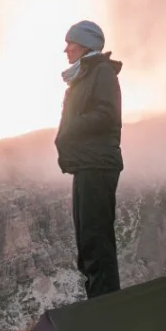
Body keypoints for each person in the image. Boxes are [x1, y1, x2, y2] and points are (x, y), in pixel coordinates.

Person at [54, 20, 124, 299]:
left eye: (70, 43)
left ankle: (107, 308)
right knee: (87, 241)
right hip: (86, 164)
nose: (66, 49)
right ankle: (98, 305)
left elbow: (108, 115)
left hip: (98, 164)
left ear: (85, 45)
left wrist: (72, 126)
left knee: (97, 239)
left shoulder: (102, 73)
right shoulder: (83, 76)